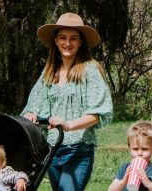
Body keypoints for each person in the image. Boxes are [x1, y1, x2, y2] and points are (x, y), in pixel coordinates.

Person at [22, 12, 113, 191]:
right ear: (55, 41)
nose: (68, 43)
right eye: (62, 37)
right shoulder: (49, 73)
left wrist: (69, 125)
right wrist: (31, 114)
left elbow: (97, 114)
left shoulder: (90, 71)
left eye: (73, 38)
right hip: (52, 149)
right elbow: (32, 107)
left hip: (78, 149)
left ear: (80, 42)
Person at [108, 121, 152, 191]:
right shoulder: (125, 168)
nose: (140, 153)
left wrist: (148, 183)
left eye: (145, 149)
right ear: (129, 148)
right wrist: (123, 181)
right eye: (135, 149)